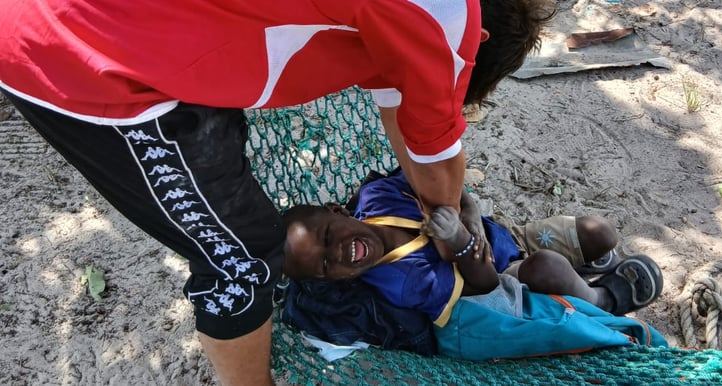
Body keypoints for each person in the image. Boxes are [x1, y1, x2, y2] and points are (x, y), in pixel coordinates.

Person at [0, 0, 557, 384]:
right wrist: (449, 220)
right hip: (88, 58)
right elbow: (435, 154)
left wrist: (446, 216)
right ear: (476, 40)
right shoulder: (447, 15)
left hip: (133, 35)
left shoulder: (411, 22)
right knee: (241, 258)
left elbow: (405, 120)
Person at [281, 169, 666, 359]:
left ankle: (577, 277)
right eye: (326, 265)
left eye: (329, 236)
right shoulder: (400, 281)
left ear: (337, 210)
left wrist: (469, 210)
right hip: (504, 275)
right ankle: (601, 299)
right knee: (546, 267)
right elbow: (485, 286)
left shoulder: (378, 195)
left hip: (507, 237)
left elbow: (445, 179)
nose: (340, 253)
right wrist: (458, 240)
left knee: (600, 232)